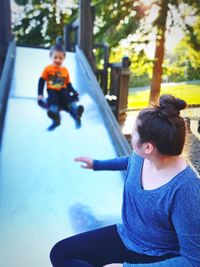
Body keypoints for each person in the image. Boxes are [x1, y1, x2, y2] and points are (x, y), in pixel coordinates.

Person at [50, 94, 200, 267]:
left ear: (148, 147)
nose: (131, 135)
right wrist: (97, 164)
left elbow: (193, 260)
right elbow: (130, 162)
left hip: (156, 256)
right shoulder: (142, 157)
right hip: (127, 235)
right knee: (61, 253)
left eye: (134, 133)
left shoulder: (186, 189)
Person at [37, 36, 84, 129]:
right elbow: (41, 81)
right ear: (51, 56)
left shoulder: (65, 70)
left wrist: (74, 92)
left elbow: (68, 84)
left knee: (68, 98)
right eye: (55, 57)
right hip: (52, 90)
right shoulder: (48, 69)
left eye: (60, 58)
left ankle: (76, 112)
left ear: (64, 58)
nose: (58, 60)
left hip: (63, 89)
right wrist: (40, 94)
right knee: (53, 99)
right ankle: (55, 114)